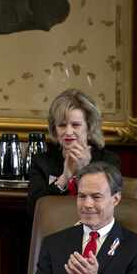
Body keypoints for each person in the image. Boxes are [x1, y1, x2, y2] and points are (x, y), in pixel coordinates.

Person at [28, 162, 137, 274]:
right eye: (82, 196)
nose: (87, 204)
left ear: (115, 199)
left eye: (96, 197)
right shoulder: (53, 243)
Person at [27, 88, 120, 216]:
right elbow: (34, 209)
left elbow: (109, 207)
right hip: (54, 230)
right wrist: (65, 177)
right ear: (54, 129)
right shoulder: (41, 161)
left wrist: (86, 170)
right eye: (62, 125)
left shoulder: (109, 161)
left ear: (89, 127)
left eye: (75, 125)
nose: (68, 132)